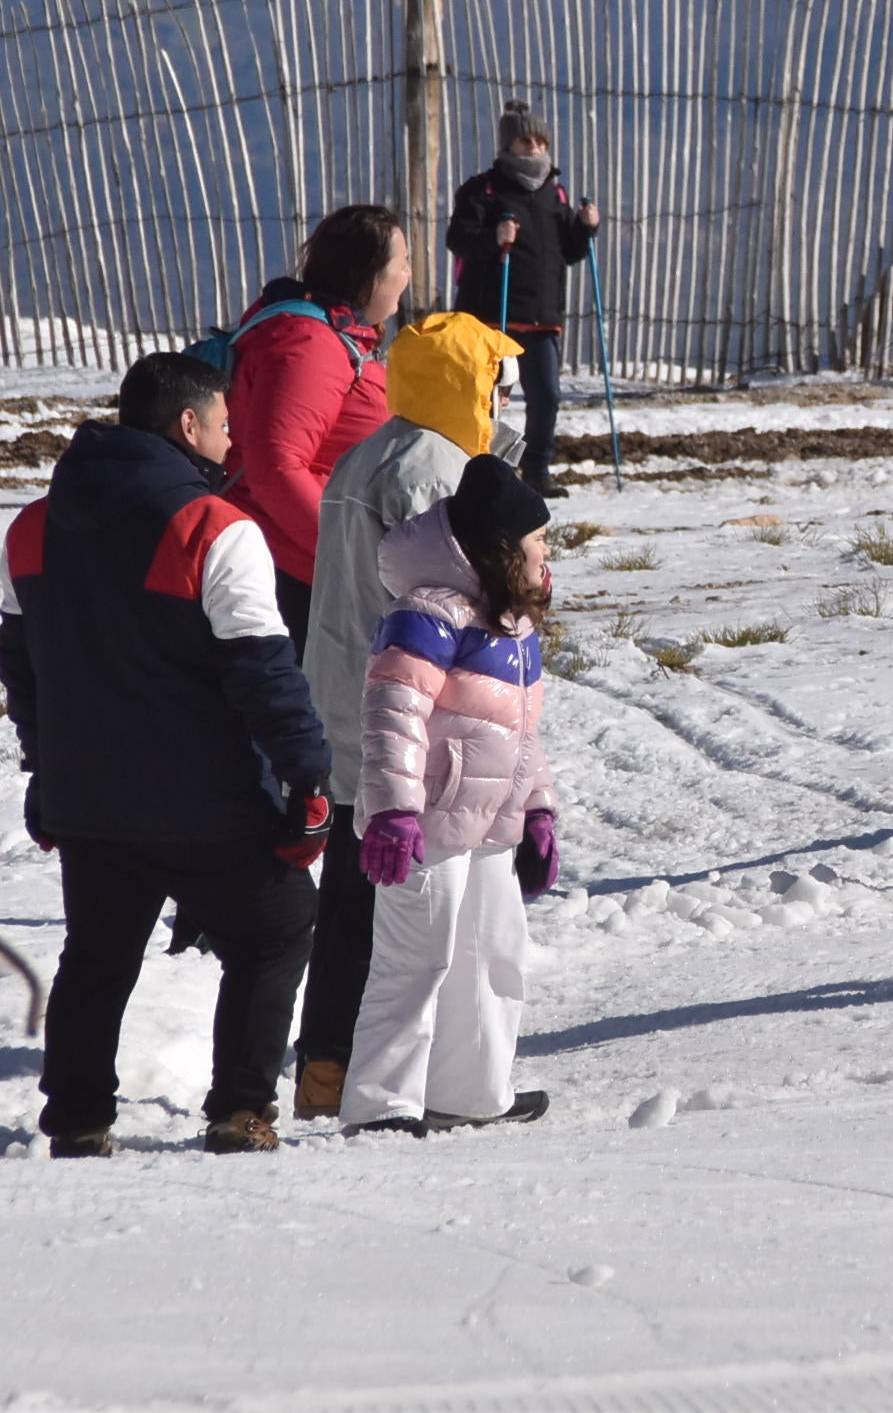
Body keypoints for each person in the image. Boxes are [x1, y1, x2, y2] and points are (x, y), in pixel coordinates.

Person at [0, 351, 332, 1157]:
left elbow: (22, 668)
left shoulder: (31, 525)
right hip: (205, 801)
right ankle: (241, 1109)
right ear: (187, 426)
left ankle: (77, 1119)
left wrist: (47, 767)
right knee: (277, 931)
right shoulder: (216, 528)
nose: (230, 443)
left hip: (88, 797)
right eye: (222, 426)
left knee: (98, 954)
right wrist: (308, 774)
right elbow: (263, 670)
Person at [290, 310, 527, 1119]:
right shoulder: (438, 474)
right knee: (392, 915)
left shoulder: (374, 451)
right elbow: (458, 605)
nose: (505, 399)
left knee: (363, 904)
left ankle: (340, 1075)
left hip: (352, 699)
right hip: (414, 720)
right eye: (495, 383)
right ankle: (361, 1083)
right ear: (466, 385)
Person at [343, 455, 560, 1136]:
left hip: (489, 825)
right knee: (417, 961)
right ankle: (381, 1106)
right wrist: (394, 811)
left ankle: (471, 1093)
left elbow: (518, 732)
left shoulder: (511, 626)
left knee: (493, 957)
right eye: (537, 541)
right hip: (429, 826)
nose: (548, 553)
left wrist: (539, 809)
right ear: (502, 550)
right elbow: (390, 717)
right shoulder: (426, 616)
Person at [224, 204, 409, 657]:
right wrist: (341, 558)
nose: (409, 274)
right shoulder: (310, 344)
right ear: (370, 275)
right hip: (295, 572)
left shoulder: (332, 336)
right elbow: (274, 466)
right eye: (402, 262)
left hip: (306, 560)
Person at [446, 102, 602, 498]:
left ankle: (536, 471)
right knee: (487, 398)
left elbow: (569, 252)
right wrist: (493, 238)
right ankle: (478, 468)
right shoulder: (483, 189)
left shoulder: (556, 193)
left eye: (541, 141)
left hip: (542, 314)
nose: (535, 148)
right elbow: (458, 241)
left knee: (546, 396)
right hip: (491, 316)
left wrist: (586, 230)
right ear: (508, 145)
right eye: (526, 140)